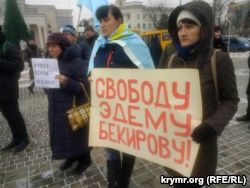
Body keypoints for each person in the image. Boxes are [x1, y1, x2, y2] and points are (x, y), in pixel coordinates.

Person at [164, 1, 239, 187]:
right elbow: (157, 92)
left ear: (203, 28)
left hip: (202, 144)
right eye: (180, 27)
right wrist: (107, 85)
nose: (182, 32)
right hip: (175, 146)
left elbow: (231, 100)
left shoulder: (218, 59)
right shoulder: (173, 59)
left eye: (189, 26)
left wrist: (211, 127)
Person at [88, 5, 154, 188]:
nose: (102, 25)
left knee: (129, 146)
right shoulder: (100, 44)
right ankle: (113, 184)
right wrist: (92, 78)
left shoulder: (134, 43)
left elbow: (149, 76)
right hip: (108, 109)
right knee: (110, 147)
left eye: (106, 20)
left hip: (130, 110)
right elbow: (92, 71)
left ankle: (123, 182)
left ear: (119, 21)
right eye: (100, 21)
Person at [46, 32, 91, 175]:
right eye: (49, 46)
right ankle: (70, 157)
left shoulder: (77, 62)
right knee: (63, 135)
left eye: (54, 46)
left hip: (72, 107)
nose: (51, 50)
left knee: (76, 135)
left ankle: (85, 160)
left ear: (63, 46)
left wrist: (66, 81)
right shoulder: (50, 62)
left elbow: (83, 87)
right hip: (56, 107)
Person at [0, 25, 30, 153]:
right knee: (6, 115)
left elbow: (19, 65)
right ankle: (15, 138)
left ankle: (24, 138)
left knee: (14, 114)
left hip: (8, 87)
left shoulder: (8, 46)